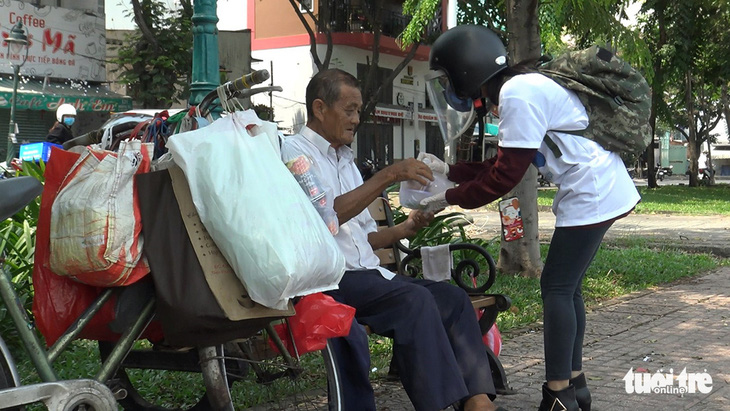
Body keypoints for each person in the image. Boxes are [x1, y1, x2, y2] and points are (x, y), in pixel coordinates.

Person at [421, 25, 641, 411]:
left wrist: (445, 198)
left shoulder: (517, 94)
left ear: (467, 72)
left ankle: (558, 395)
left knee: (556, 288)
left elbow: (502, 179)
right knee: (566, 288)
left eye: (449, 77)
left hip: (594, 192)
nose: (449, 87)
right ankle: (574, 387)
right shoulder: (521, 88)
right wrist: (449, 172)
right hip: (597, 187)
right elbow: (503, 163)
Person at [281, 68, 505, 411]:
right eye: (349, 110)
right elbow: (329, 218)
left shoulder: (345, 160)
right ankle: (438, 404)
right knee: (414, 302)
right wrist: (389, 174)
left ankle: (477, 401)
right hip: (331, 279)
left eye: (359, 111)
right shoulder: (296, 155)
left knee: (453, 299)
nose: (356, 119)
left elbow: (363, 237)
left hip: (369, 276)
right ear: (319, 108)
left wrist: (401, 231)